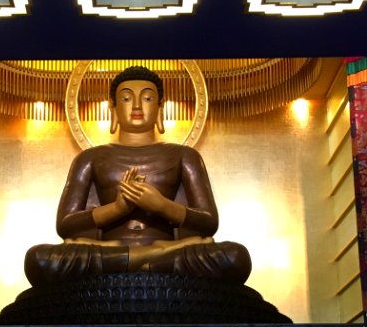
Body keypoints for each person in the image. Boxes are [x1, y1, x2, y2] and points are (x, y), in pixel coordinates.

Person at [24, 66, 251, 286]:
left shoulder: (184, 155)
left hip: (139, 252)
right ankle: (151, 258)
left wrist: (162, 205)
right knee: (39, 259)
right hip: (122, 249)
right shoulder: (89, 158)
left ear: (160, 108)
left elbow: (208, 222)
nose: (136, 105)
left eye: (147, 98)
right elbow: (65, 225)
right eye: (125, 98)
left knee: (235, 256)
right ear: (113, 109)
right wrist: (117, 209)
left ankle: (129, 260)